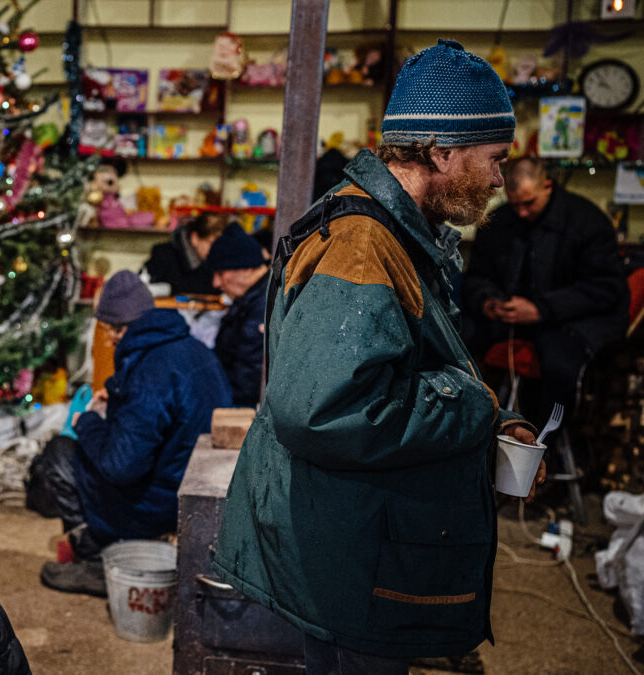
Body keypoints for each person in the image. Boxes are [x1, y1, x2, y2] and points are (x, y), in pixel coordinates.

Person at [212, 40, 546, 673]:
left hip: (362, 537)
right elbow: (328, 410)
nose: (502, 179)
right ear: (442, 151)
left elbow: (421, 358)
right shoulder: (362, 246)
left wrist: (497, 420)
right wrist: (475, 408)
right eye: (495, 159)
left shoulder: (405, 234)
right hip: (350, 551)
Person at [28, 271, 231, 596]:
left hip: (159, 504)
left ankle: (99, 560)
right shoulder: (191, 349)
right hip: (196, 490)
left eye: (109, 331)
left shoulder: (150, 373)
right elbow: (161, 405)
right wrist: (118, 396)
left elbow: (120, 467)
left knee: (60, 454)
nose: (108, 340)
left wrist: (86, 421)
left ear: (121, 326)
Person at [461, 156, 629, 430]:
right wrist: (489, 302)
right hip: (509, 320)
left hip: (570, 321)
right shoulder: (501, 219)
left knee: (559, 367)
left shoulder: (587, 220)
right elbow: (477, 277)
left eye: (529, 203)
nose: (522, 213)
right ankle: (473, 435)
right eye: (515, 204)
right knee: (455, 341)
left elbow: (605, 288)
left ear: (548, 186)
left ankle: (546, 445)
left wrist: (542, 309)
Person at [204, 224, 270, 408]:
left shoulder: (263, 306)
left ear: (246, 268)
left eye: (221, 273)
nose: (215, 283)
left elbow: (248, 380)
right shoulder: (248, 300)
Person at [142, 211, 227, 295]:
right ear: (195, 238)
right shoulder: (163, 256)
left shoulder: (220, 263)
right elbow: (140, 290)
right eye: (212, 244)